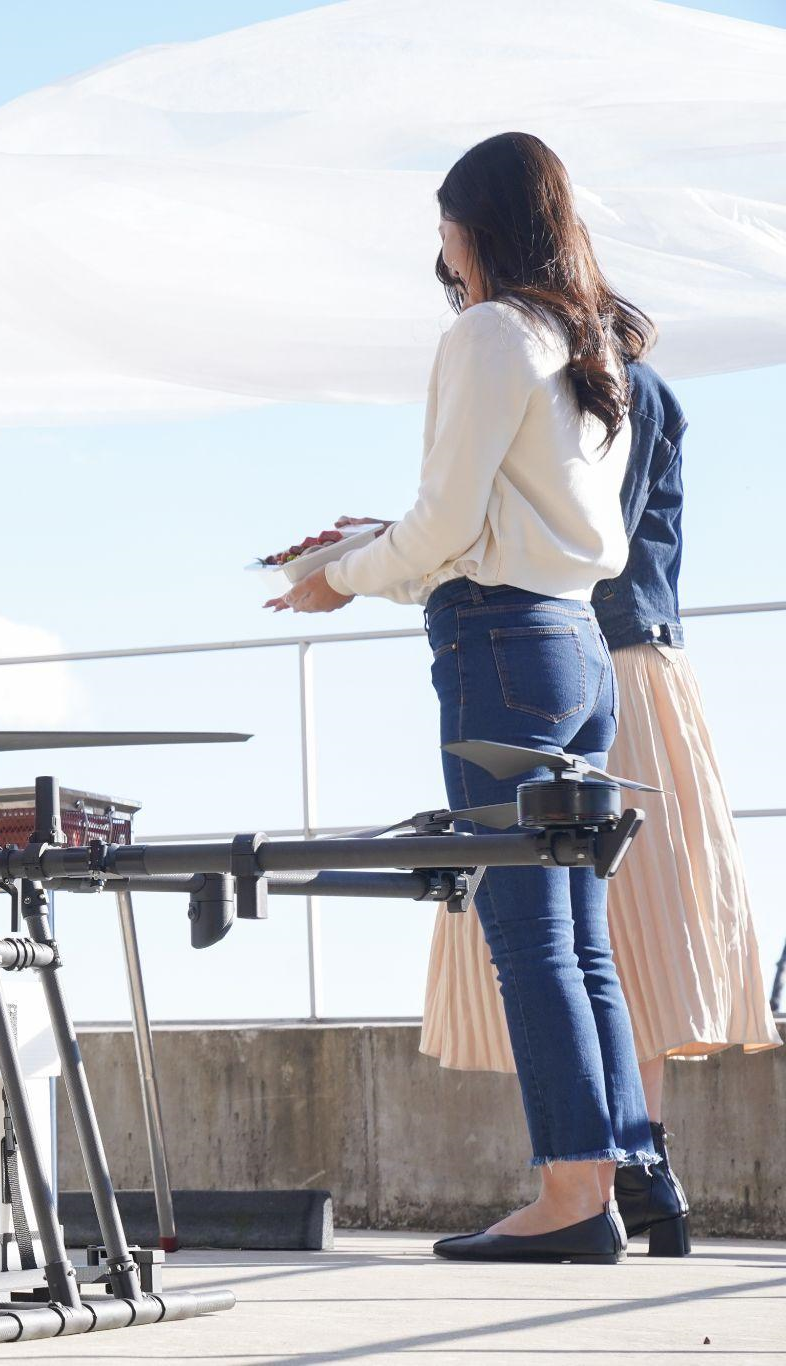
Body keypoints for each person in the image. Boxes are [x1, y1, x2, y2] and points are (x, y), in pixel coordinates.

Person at [280, 132, 655, 1263]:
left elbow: (449, 529)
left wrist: (342, 578)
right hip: (574, 647)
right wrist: (365, 548)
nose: (440, 246)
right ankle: (625, 1182)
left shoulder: (489, 332)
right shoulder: (589, 337)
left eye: (443, 221)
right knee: (577, 938)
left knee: (527, 936)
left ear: (471, 223)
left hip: (500, 651)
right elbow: (496, 522)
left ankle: (570, 1197)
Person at [420, 358, 781, 1257]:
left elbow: (556, 536)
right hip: (634, 665)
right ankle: (638, 1168)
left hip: (582, 653)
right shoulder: (629, 385)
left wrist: (413, 549)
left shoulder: (586, 379)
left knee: (590, 929)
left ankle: (616, 1172)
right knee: (631, 926)